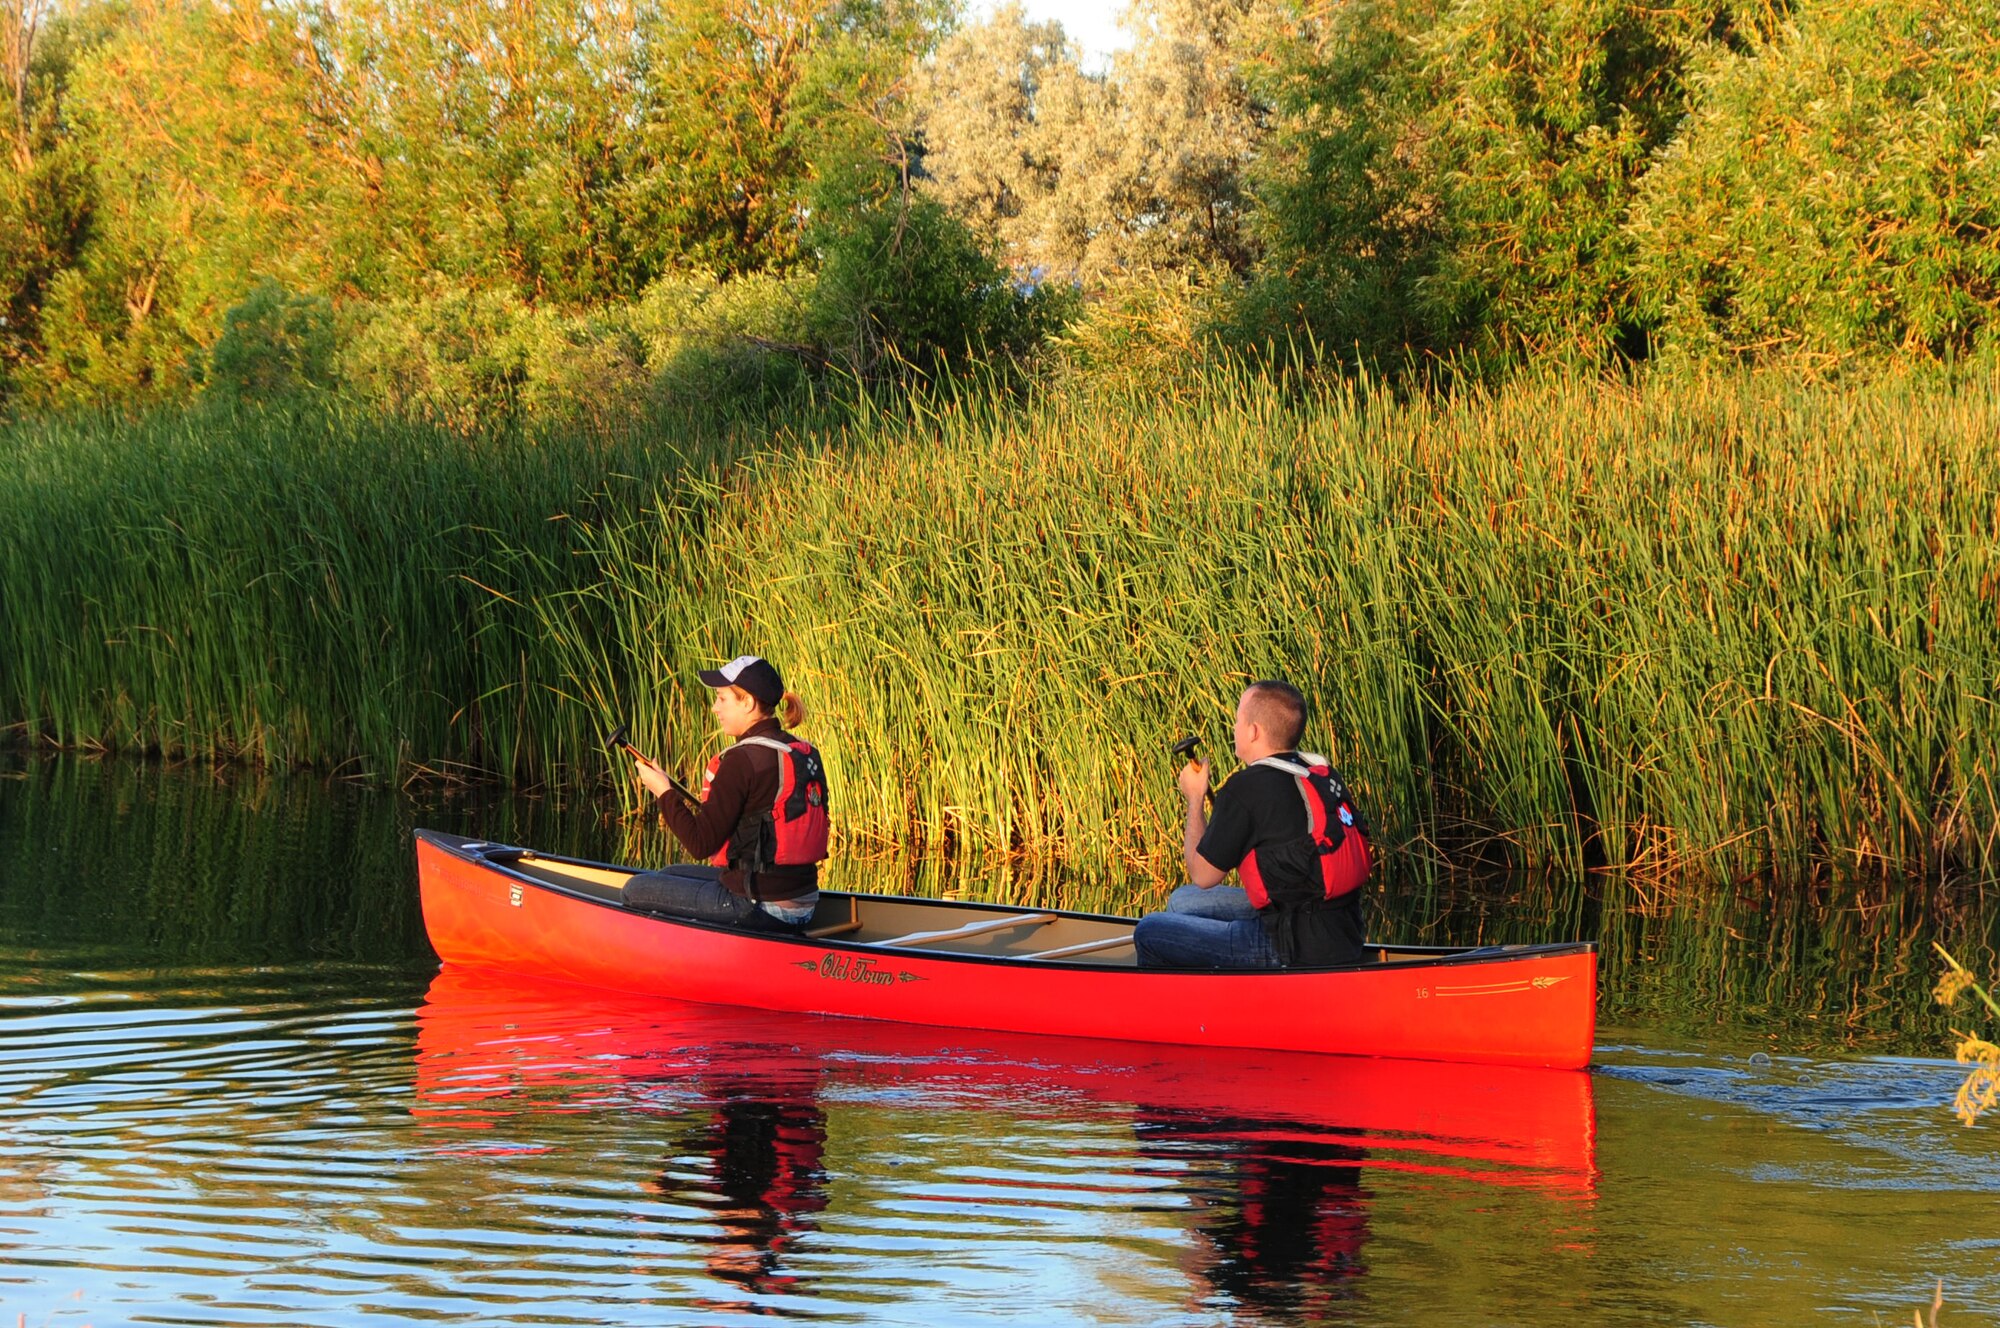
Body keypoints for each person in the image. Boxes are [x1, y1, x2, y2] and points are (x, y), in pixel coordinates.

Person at [1133, 679, 1373, 970]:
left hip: (1288, 947)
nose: (1234, 728)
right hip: (1341, 932)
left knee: (1149, 931)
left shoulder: (1246, 788)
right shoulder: (1318, 772)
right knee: (1183, 901)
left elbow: (1202, 875)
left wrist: (1195, 798)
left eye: (1237, 719)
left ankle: (1192, 1011)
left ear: (1253, 731)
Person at [624, 655, 830, 931]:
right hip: (802, 902)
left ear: (748, 703)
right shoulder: (801, 752)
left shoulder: (742, 760)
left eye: (722, 699)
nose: (714, 708)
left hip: (758, 905)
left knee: (634, 889)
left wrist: (663, 792)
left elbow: (699, 845)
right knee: (669, 873)